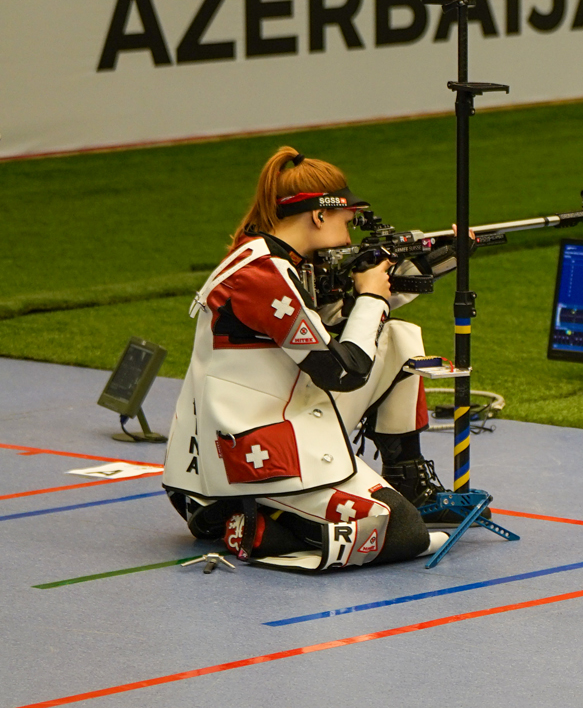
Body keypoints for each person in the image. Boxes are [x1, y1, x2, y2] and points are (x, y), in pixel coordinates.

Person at [161, 146, 450, 570]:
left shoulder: (277, 260)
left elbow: (346, 324)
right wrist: (370, 293)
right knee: (407, 533)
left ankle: (405, 477)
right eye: (346, 222)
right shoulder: (262, 276)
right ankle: (252, 524)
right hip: (249, 454)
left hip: (268, 425)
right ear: (319, 216)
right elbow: (343, 371)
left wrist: (442, 258)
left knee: (397, 338)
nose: (351, 237)